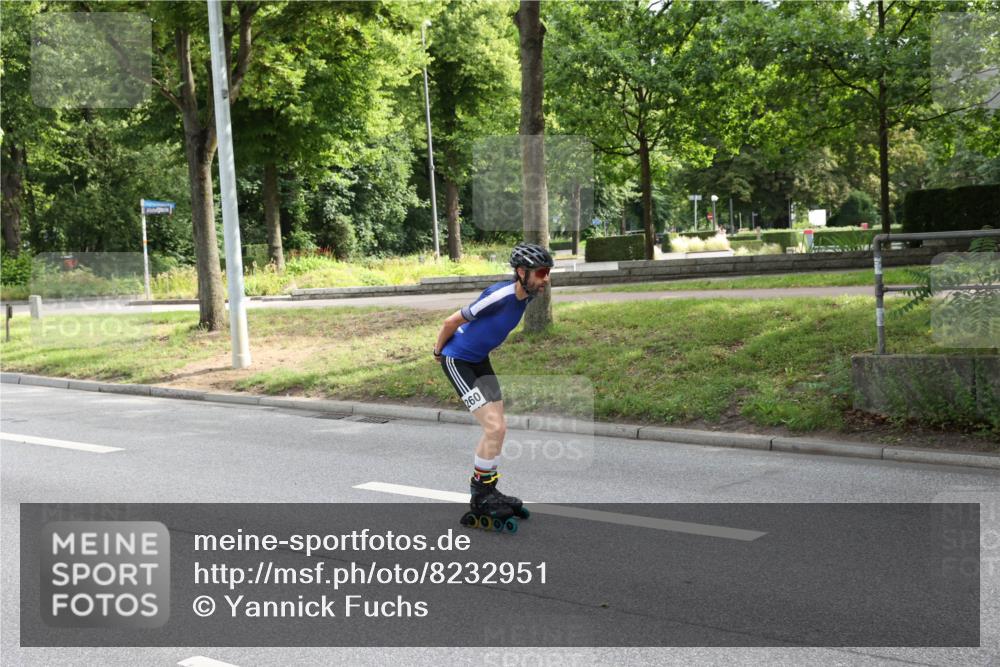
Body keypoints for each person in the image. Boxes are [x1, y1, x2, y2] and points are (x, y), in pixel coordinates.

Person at [433, 242, 554, 526]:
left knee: (500, 428)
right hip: (458, 360)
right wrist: (438, 353)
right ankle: (479, 496)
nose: (546, 278)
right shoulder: (499, 295)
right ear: (521, 272)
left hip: (479, 360)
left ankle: (488, 489)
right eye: (542, 272)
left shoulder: (529, 295)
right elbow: (450, 321)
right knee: (494, 427)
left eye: (548, 272)